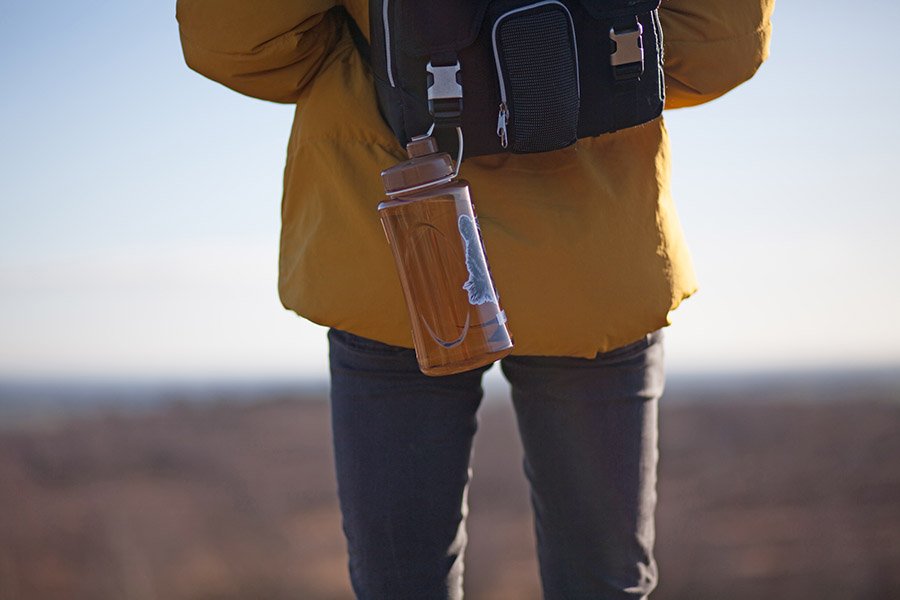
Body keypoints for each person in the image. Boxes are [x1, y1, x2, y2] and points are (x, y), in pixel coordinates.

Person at [177, 1, 774, 598]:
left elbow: (232, 42)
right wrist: (578, 66)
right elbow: (721, 47)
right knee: (602, 584)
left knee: (402, 586)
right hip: (592, 266)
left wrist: (367, 49)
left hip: (397, 261)